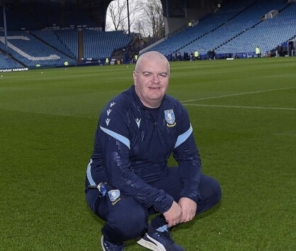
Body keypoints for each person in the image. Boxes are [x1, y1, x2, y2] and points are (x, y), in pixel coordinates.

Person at [85, 51, 222, 251]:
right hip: (110, 183)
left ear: (169, 78)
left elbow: (189, 157)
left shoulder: (175, 110)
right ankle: (113, 241)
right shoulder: (117, 111)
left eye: (162, 75)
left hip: (154, 177)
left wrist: (189, 195)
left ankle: (158, 230)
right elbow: (119, 173)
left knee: (209, 189)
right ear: (135, 77)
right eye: (147, 74)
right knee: (130, 219)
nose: (155, 81)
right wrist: (165, 202)